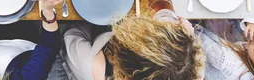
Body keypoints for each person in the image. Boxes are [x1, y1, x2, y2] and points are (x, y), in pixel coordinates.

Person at [62, 16, 204, 80]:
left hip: (85, 33)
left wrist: (94, 17)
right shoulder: (186, 69)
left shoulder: (92, 64)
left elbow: (72, 33)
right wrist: (185, 38)